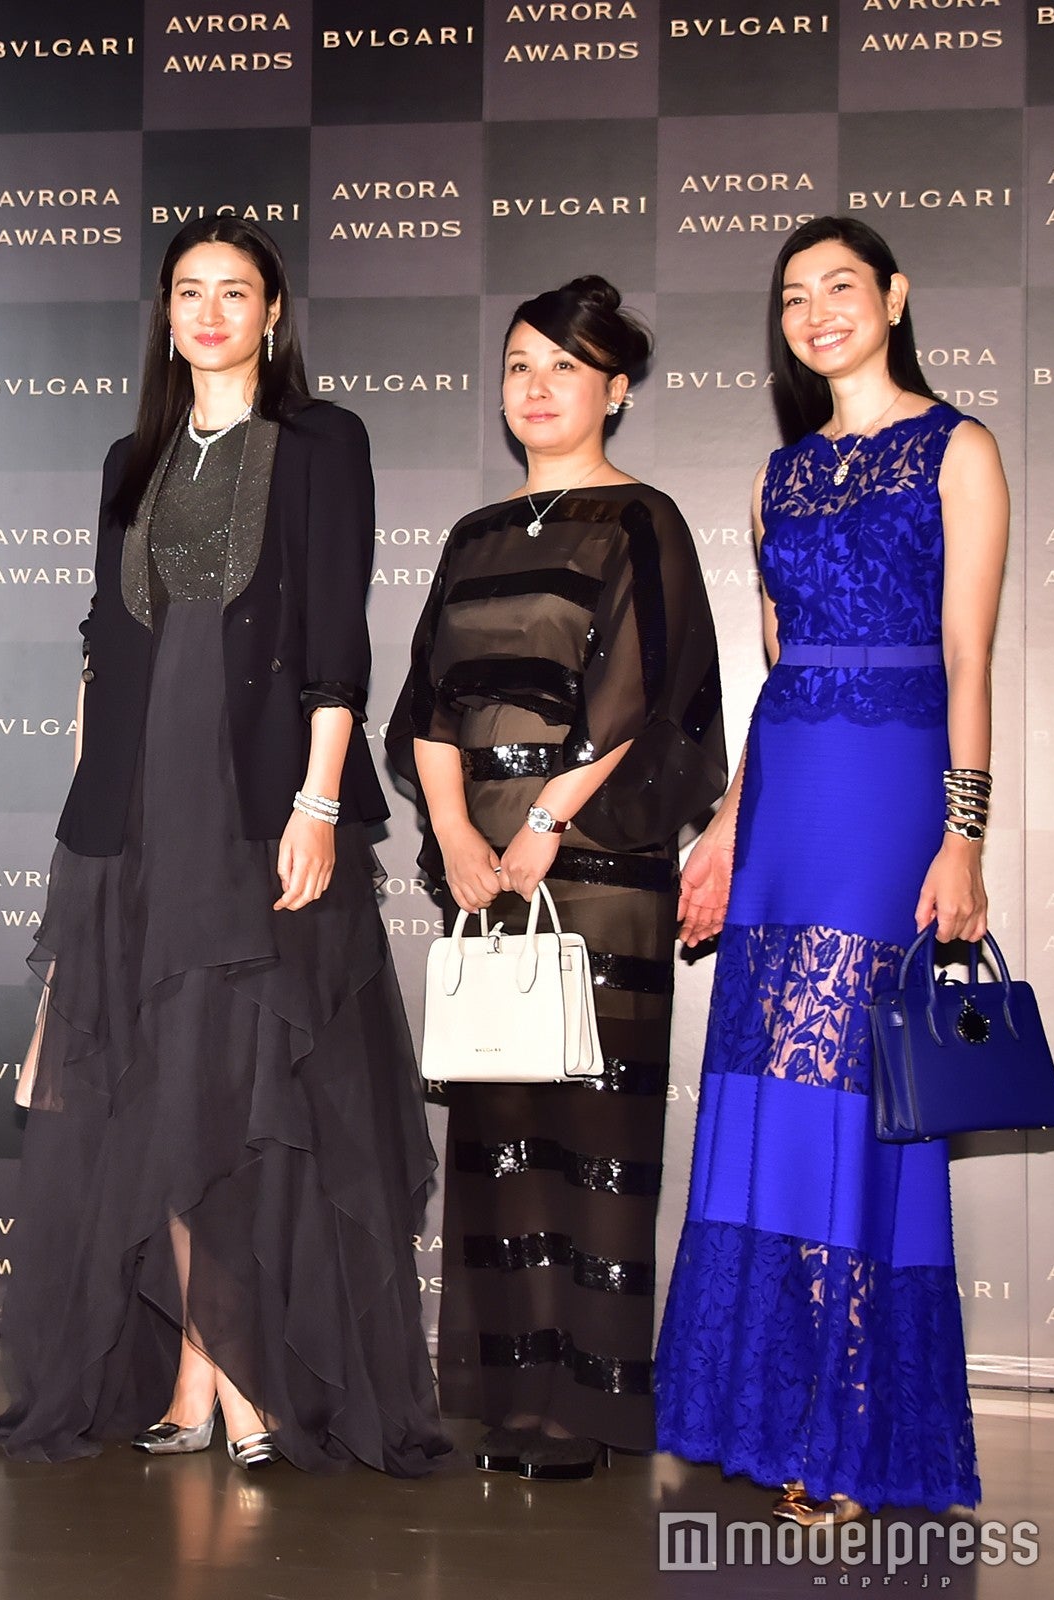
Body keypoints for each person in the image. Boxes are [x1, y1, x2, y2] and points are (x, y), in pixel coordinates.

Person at [0, 215, 449, 1476]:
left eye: (233, 291)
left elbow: (336, 635)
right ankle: (202, 1368)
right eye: (188, 291)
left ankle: (235, 1370)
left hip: (255, 800)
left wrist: (317, 803)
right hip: (137, 809)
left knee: (244, 1081)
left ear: (273, 312)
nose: (208, 312)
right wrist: (88, 822)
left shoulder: (321, 442)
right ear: (165, 311)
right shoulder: (128, 459)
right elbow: (103, 642)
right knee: (162, 1081)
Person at [654, 217, 1008, 1520]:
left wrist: (963, 834)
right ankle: (759, 1408)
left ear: (894, 297)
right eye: (795, 294)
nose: (817, 312)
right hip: (790, 795)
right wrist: (727, 825)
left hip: (890, 791)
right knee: (766, 1085)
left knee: (849, 1087)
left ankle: (846, 1430)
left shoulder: (959, 449)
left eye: (841, 286)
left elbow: (968, 660)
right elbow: (778, 669)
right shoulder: (778, 477)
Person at [387, 276, 726, 1481]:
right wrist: (456, 836)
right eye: (520, 366)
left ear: (615, 390)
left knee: (592, 1129)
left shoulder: (642, 520)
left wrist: (541, 820)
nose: (537, 388)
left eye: (566, 368)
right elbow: (429, 708)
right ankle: (508, 1390)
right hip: (483, 866)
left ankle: (587, 1404)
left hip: (595, 860)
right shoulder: (473, 536)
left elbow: (641, 694)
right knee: (502, 1129)